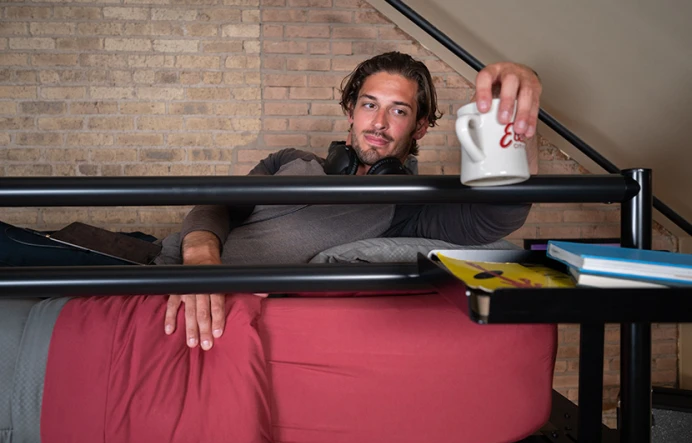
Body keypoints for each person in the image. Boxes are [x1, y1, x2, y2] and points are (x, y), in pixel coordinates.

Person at [162, 51, 543, 351]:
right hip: (166, 270)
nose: (378, 123)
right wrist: (200, 260)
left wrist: (517, 123)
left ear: (420, 127)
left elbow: (496, 215)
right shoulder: (288, 161)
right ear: (350, 110)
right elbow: (218, 205)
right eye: (369, 104)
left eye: (398, 110)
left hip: (204, 314)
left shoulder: (410, 207)